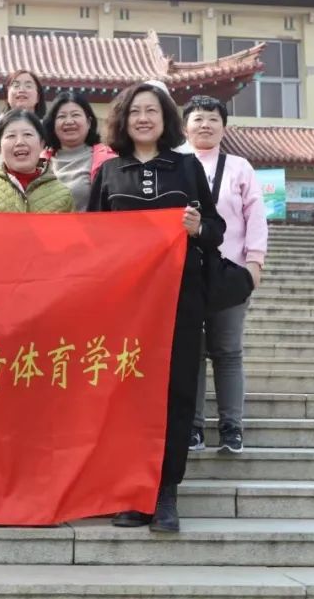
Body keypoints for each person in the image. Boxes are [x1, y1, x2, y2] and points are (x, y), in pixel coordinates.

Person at [88, 82, 224, 533]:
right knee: (126, 394)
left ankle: (165, 491)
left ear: (165, 119)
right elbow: (90, 239)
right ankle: (132, 491)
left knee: (176, 392)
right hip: (124, 305)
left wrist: (197, 226)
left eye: (152, 111)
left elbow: (217, 229)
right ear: (123, 121)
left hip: (179, 299)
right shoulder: (110, 173)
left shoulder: (187, 167)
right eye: (135, 112)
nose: (143, 118)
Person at [183, 96, 267, 455]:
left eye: (213, 119)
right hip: (185, 274)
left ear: (223, 127)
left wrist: (255, 263)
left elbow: (256, 216)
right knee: (191, 352)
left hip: (230, 273)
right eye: (198, 118)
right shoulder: (176, 163)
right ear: (185, 126)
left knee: (228, 351)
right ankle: (193, 427)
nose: (205, 125)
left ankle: (232, 426)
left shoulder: (239, 167)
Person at [0, 109, 74, 212]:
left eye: (28, 134)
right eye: (11, 136)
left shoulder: (63, 194)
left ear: (42, 144)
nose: (20, 142)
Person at [42, 92, 116, 212]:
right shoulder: (40, 161)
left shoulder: (108, 160)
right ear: (53, 124)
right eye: (61, 116)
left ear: (89, 122)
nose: (69, 121)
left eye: (75, 115)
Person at [0, 70, 46, 171]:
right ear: (7, 95)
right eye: (16, 86)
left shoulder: (48, 131)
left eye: (28, 86)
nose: (22, 90)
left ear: (38, 97)